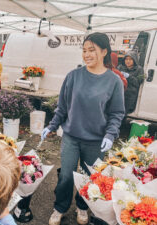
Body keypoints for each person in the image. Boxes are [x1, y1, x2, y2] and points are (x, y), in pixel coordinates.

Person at [41, 32, 125, 225]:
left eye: (92, 50)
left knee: (89, 179)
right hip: (71, 136)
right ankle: (60, 207)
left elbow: (117, 113)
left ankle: (82, 206)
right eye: (84, 50)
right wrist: (52, 125)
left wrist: (111, 134)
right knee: (66, 176)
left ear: (104, 51)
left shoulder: (114, 81)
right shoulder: (73, 76)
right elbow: (62, 107)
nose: (87, 54)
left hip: (96, 141)